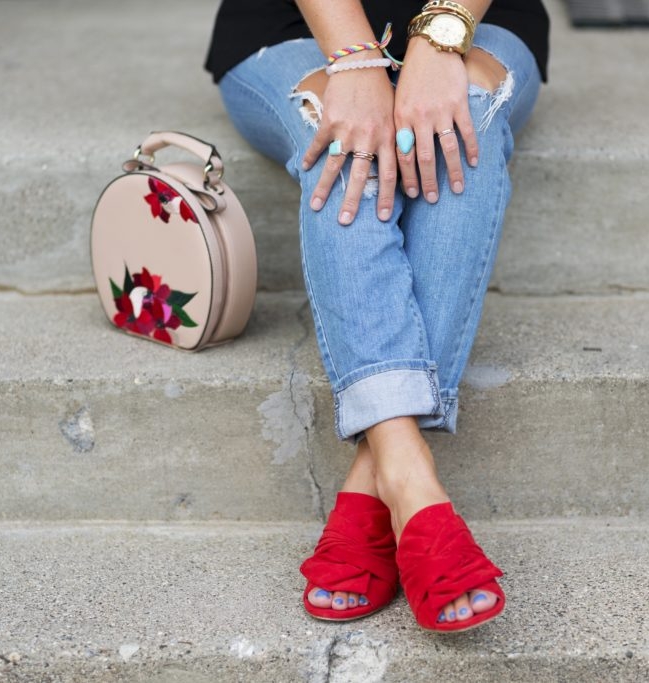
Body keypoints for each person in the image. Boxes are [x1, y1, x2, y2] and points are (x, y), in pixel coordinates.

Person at [206, 0, 549, 632]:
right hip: (295, 27)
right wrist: (357, 61)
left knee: (460, 124)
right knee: (345, 144)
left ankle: (379, 476)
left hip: (485, 20)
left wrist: (441, 39)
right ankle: (411, 478)